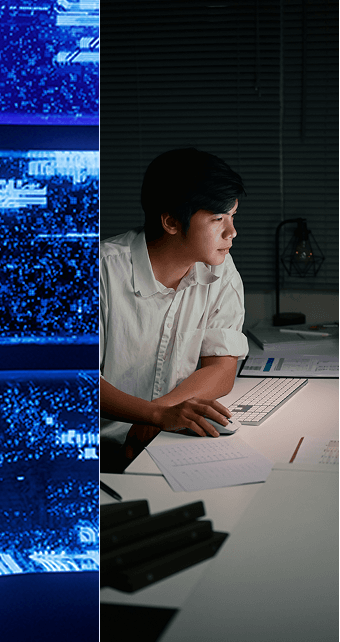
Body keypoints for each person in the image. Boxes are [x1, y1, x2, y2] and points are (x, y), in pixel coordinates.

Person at [100, 147, 249, 468]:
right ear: (170, 221)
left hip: (164, 437)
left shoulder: (221, 269)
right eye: (218, 219)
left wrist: (159, 415)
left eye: (232, 216)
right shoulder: (101, 271)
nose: (232, 232)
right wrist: (154, 415)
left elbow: (222, 368)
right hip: (96, 452)